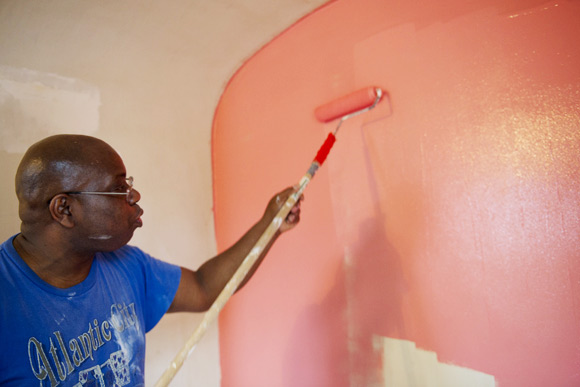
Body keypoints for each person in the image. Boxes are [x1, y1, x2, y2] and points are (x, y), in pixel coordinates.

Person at [0, 134, 302, 386]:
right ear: (64, 209)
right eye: (119, 188)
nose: (134, 195)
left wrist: (270, 223)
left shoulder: (125, 265)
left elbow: (203, 287)